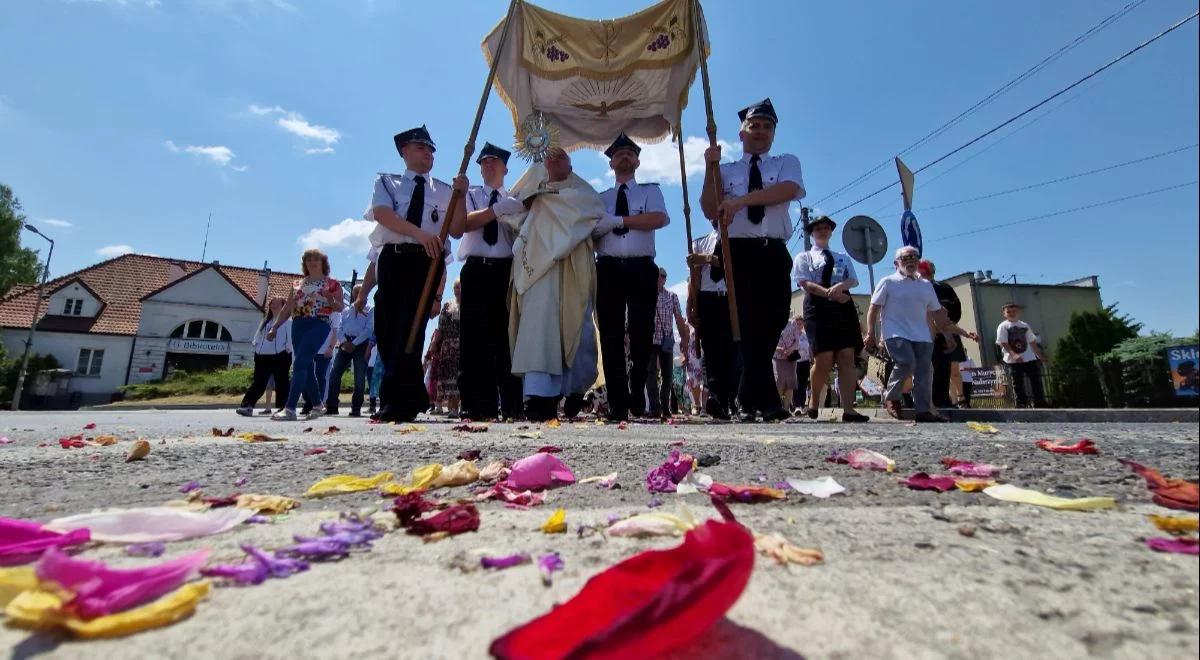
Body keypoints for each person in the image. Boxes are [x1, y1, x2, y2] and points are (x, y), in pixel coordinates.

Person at [700, 98, 804, 422]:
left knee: (773, 319)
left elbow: (787, 190)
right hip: (737, 252)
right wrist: (709, 166)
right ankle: (760, 400)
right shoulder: (727, 169)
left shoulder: (785, 162)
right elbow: (709, 209)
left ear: (773, 133)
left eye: (767, 126)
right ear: (741, 133)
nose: (760, 131)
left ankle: (750, 396)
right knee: (744, 325)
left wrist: (741, 201)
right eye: (753, 126)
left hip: (772, 249)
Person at [363, 125, 467, 422]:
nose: (428, 153)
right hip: (394, 259)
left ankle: (399, 400)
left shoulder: (444, 190)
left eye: (431, 149)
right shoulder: (387, 182)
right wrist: (420, 234)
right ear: (404, 151)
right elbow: (384, 215)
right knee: (388, 327)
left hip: (426, 263)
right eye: (421, 147)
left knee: (413, 330)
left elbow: (457, 229)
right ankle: (405, 395)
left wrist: (459, 197)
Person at [501, 148, 605, 422]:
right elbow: (509, 210)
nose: (554, 160)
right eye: (550, 156)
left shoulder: (581, 191)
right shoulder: (532, 186)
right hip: (537, 268)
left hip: (569, 268)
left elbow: (593, 209)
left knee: (573, 329)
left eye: (561, 157)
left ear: (570, 164)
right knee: (538, 326)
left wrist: (544, 204)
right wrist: (531, 201)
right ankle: (538, 397)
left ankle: (572, 392)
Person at [593, 134, 669, 422]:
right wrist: (603, 226)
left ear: (637, 161)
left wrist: (620, 221)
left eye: (629, 153)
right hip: (609, 267)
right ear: (611, 163)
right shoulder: (601, 199)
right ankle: (617, 403)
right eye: (619, 154)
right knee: (611, 336)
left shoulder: (650, 192)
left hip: (641, 267)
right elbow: (592, 229)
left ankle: (637, 390)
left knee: (641, 334)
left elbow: (657, 219)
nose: (624, 157)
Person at [450, 142, 523, 421]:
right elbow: (460, 226)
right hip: (477, 268)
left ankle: (512, 403)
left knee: (506, 337)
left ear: (505, 168)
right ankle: (477, 404)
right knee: (473, 339)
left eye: (494, 161)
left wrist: (508, 208)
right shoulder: (468, 195)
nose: (488, 165)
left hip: (505, 270)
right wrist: (495, 210)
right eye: (484, 162)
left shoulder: (515, 197)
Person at [865, 246, 978, 423]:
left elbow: (936, 313)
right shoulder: (888, 282)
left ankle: (923, 410)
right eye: (905, 258)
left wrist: (948, 336)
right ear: (896, 263)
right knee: (906, 362)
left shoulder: (925, 285)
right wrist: (871, 332)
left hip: (922, 335)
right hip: (895, 333)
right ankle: (892, 397)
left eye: (914, 258)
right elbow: (873, 309)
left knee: (924, 370)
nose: (910, 261)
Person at [792, 215, 869, 422]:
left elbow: (853, 279)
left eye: (826, 228)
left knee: (846, 357)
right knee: (824, 359)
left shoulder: (842, 257)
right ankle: (814, 401)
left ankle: (849, 409)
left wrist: (840, 288)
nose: (823, 231)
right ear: (812, 233)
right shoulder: (805, 257)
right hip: (818, 308)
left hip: (842, 306)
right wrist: (828, 293)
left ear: (831, 231)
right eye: (818, 229)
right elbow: (805, 283)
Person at [265, 249, 344, 421]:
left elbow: (340, 308)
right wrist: (275, 327)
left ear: (323, 262)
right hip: (298, 324)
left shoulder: (333, 284)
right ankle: (317, 405)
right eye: (308, 259)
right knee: (306, 366)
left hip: (319, 323)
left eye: (316, 259)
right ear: (304, 263)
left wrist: (330, 299)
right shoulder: (296, 284)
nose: (312, 262)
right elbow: (287, 308)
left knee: (300, 363)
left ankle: (290, 408)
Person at [686, 230, 737, 420]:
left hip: (730, 297)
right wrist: (691, 304)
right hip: (708, 299)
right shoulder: (701, 242)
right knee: (710, 351)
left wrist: (707, 258)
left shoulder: (735, 238)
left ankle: (732, 398)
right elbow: (695, 277)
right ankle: (716, 398)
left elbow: (730, 264)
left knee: (731, 351)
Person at [918, 259, 966, 408]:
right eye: (923, 271)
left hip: (945, 333)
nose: (926, 274)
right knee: (925, 369)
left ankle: (942, 401)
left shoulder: (944, 288)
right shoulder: (914, 288)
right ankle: (925, 402)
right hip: (922, 334)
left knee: (944, 368)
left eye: (928, 271)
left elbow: (956, 310)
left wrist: (946, 326)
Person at [237, 297, 292, 417]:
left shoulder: (287, 321)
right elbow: (257, 337)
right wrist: (256, 349)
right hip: (262, 356)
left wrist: (288, 350)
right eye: (272, 303)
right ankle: (247, 406)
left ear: (283, 306)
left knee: (281, 383)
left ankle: (282, 408)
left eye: (277, 304)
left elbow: (290, 339)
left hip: (280, 355)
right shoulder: (265, 321)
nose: (273, 305)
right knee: (259, 382)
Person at [646, 266, 689, 419]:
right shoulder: (646, 294)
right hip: (650, 340)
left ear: (665, 279)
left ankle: (665, 405)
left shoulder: (672, 296)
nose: (660, 278)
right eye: (658, 275)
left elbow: (678, 319)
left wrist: (684, 340)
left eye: (663, 276)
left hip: (666, 340)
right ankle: (654, 407)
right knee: (650, 375)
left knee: (668, 376)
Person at [324, 284, 373, 417]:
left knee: (359, 376)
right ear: (352, 295)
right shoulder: (346, 310)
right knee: (335, 373)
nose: (358, 295)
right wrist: (345, 342)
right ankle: (332, 406)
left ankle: (356, 407)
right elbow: (340, 328)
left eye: (361, 292)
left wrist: (354, 343)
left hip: (361, 344)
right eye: (356, 292)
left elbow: (368, 330)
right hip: (345, 344)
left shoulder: (370, 310)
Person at [995, 303, 1048, 408]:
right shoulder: (1003, 326)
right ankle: (1021, 404)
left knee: (1036, 380)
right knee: (1018, 383)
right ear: (1004, 314)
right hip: (1013, 360)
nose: (1011, 314)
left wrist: (1039, 355)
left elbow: (1032, 341)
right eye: (1008, 312)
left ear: (1017, 312)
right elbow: (1003, 342)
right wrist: (1014, 355)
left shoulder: (1024, 325)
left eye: (1013, 311)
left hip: (1029, 357)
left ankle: (1040, 402)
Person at [426, 279, 463, 417]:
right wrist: (434, 345)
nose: (457, 290)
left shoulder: (470, 304)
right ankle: (452, 409)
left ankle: (459, 407)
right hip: (448, 347)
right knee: (448, 377)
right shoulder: (447, 305)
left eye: (459, 287)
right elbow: (440, 327)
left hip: (463, 346)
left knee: (460, 377)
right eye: (455, 287)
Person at [684, 331, 704, 416]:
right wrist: (684, 353)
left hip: (705, 347)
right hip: (693, 352)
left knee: (706, 379)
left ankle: (705, 406)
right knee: (693, 379)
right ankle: (697, 405)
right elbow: (684, 338)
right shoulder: (689, 321)